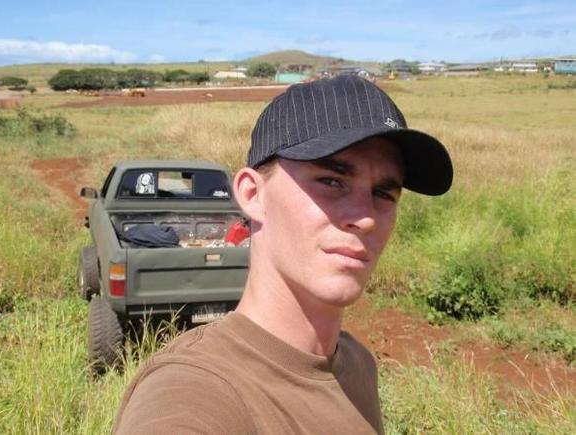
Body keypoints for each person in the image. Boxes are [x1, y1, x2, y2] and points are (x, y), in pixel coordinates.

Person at [113, 75, 452, 434]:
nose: (366, 218)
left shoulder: (356, 364)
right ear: (252, 195)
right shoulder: (194, 390)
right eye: (332, 181)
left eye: (384, 194)